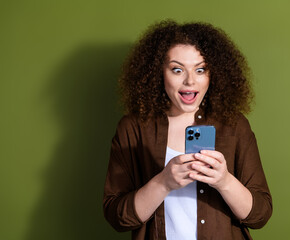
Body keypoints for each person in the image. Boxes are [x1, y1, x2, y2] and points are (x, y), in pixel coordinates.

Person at [103, 20, 272, 240]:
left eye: (200, 69)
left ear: (213, 75)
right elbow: (116, 216)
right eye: (177, 69)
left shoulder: (234, 125)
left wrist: (224, 181)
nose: (190, 80)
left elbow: (260, 215)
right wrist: (163, 182)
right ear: (159, 73)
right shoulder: (133, 128)